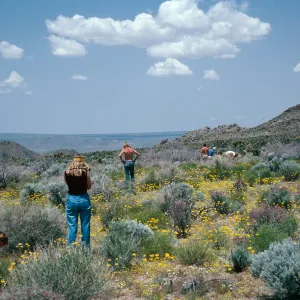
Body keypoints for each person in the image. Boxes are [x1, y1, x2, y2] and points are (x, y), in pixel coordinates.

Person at [64, 155, 92, 246]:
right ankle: (86, 248)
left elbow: (67, 184)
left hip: (71, 199)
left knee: (72, 226)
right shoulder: (86, 172)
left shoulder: (67, 172)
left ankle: (71, 248)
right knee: (85, 225)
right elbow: (89, 186)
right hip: (84, 198)